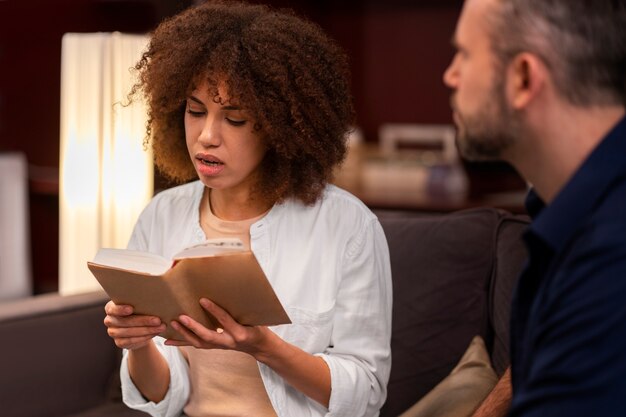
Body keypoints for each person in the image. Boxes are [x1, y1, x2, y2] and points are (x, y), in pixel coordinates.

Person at [102, 2, 393, 416]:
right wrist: (139, 343)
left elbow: (365, 392)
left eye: (234, 119)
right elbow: (163, 398)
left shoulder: (348, 227)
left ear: (280, 127)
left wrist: (266, 348)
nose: (206, 136)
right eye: (195, 111)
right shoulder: (161, 215)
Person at [443, 0, 626, 416]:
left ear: (523, 77)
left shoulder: (611, 261)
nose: (450, 74)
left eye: (465, 54)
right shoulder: (570, 218)